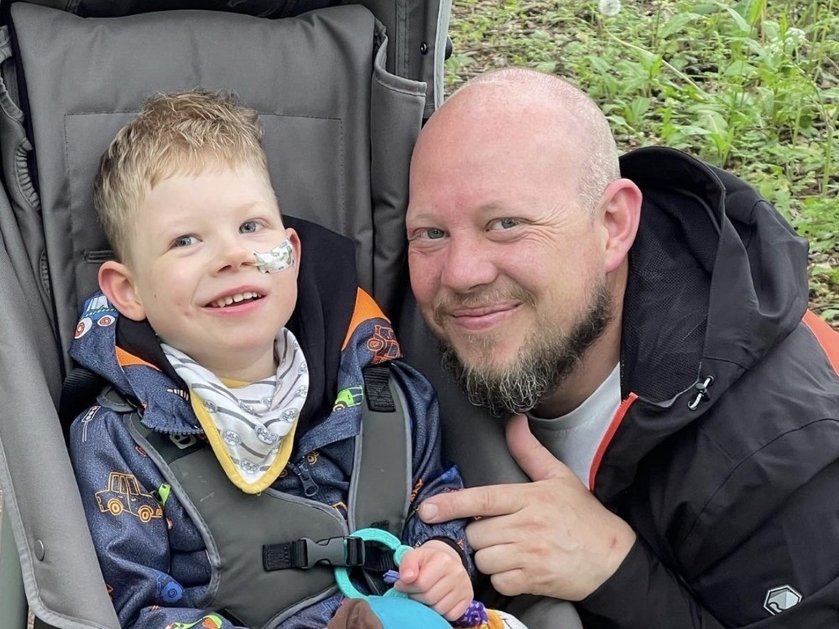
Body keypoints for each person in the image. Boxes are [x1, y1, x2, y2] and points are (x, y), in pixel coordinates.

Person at [67, 89, 523, 629]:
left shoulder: (391, 392)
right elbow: (132, 603)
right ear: (128, 290)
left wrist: (445, 557)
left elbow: (435, 495)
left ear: (292, 252)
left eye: (250, 227)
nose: (233, 256)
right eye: (186, 240)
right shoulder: (118, 441)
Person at [406, 68, 839, 628]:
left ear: (613, 224)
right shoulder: (409, 342)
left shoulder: (781, 455)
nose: (461, 274)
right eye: (431, 233)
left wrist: (615, 570)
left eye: (506, 224)